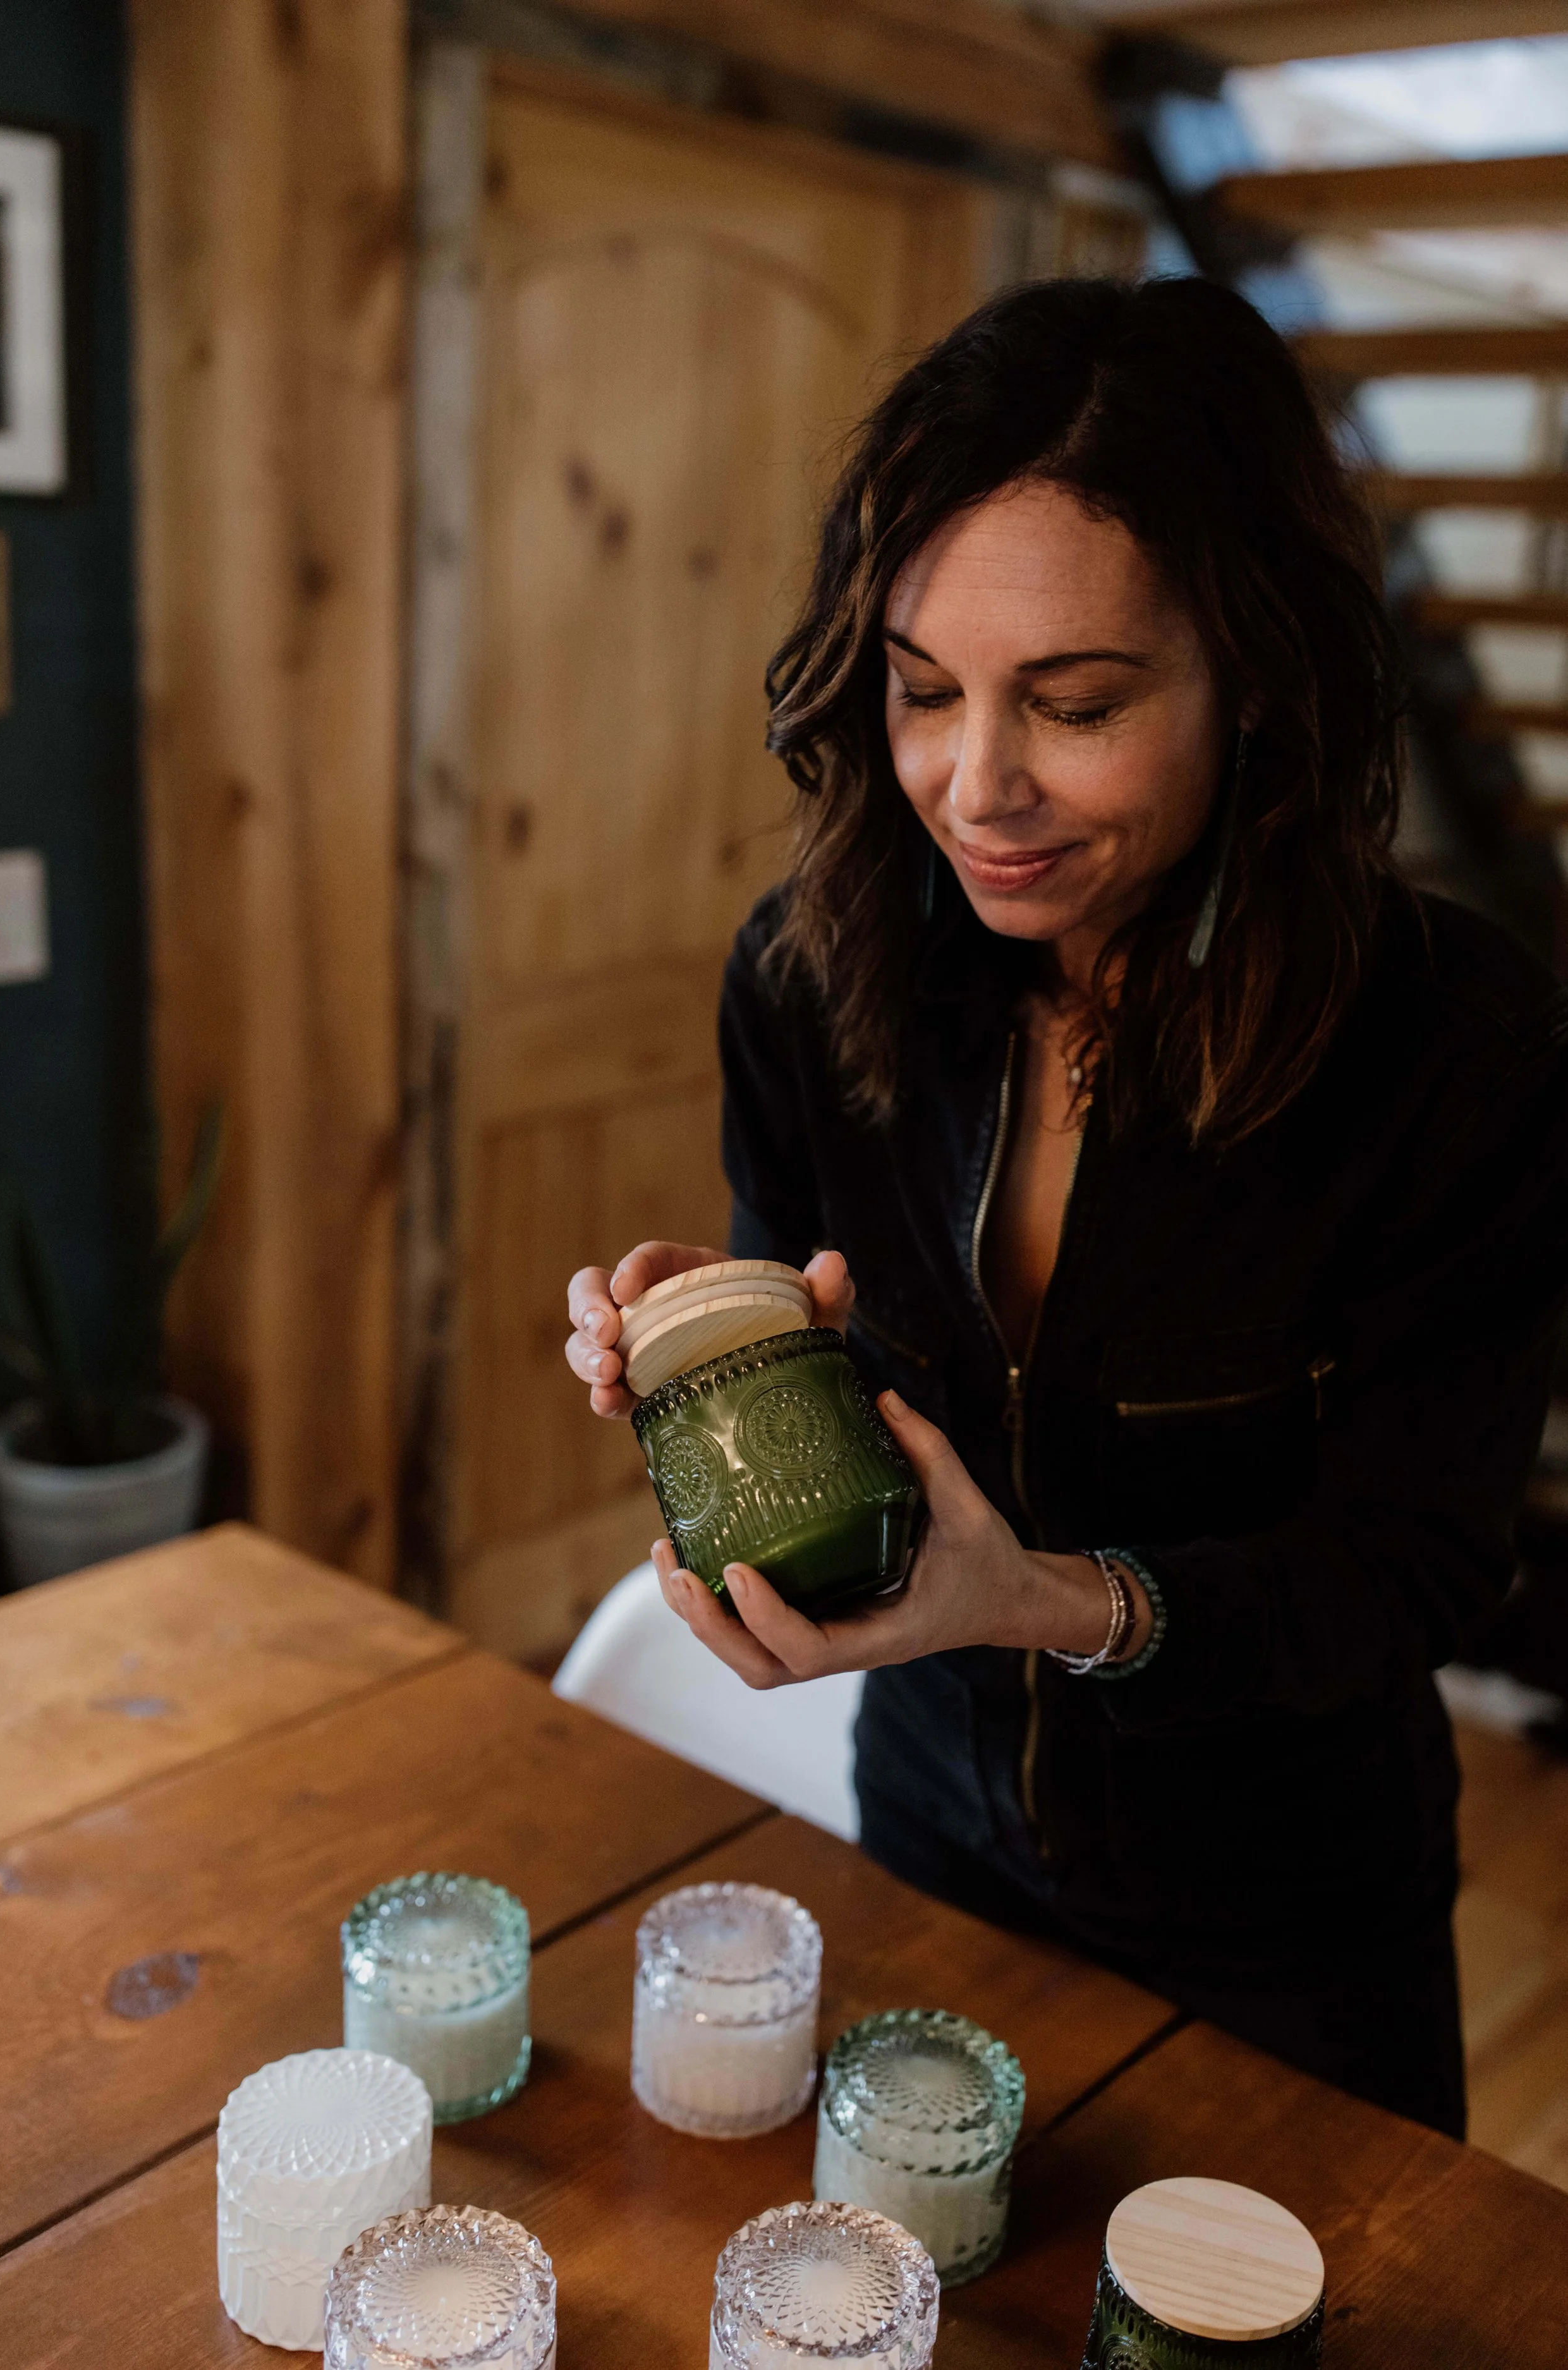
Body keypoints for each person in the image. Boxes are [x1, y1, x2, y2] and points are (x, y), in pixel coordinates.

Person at [564, 277, 1568, 2139]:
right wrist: (725, 1339)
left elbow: (1411, 1569)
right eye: (920, 688)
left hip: (1287, 1917)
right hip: (935, 1836)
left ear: (1251, 674)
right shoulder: (810, 976)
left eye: (1076, 702)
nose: (973, 785)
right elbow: (839, 1360)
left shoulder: (1462, 1048)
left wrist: (1039, 1599)